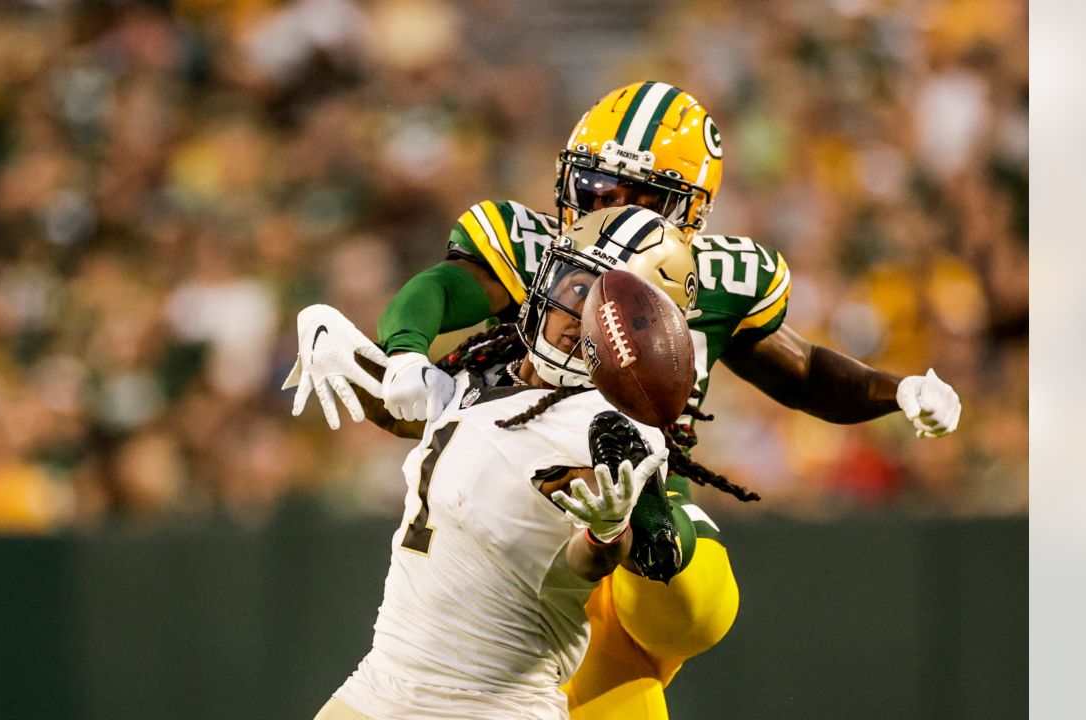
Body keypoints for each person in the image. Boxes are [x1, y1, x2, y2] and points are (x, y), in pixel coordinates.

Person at [292, 82, 962, 719]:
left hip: (625, 486)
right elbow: (441, 289)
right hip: (522, 498)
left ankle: (645, 538)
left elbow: (804, 371)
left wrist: (895, 391)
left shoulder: (710, 280)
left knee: (686, 599)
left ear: (688, 212)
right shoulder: (533, 246)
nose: (605, 210)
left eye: (632, 198)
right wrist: (405, 350)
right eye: (593, 187)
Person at [303, 207, 736, 719]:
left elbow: (590, 559)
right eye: (580, 289)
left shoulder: (608, 425)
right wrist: (362, 348)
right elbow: (422, 384)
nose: (582, 318)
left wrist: (611, 534)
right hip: (380, 687)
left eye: (611, 310)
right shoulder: (495, 376)